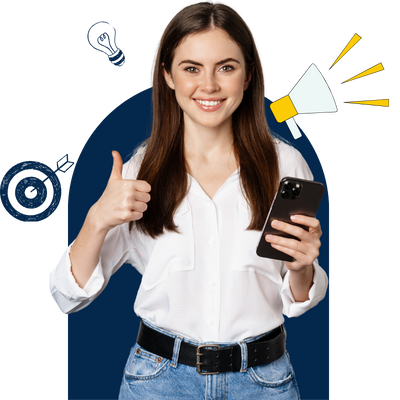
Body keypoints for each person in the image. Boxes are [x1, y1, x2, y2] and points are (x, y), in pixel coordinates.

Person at [47, 1, 328, 399]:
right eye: (191, 68)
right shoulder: (138, 171)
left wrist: (302, 268)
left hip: (264, 382)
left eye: (226, 67)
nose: (209, 85)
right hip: (157, 382)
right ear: (168, 76)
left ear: (248, 75)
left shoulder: (287, 165)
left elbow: (298, 299)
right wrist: (96, 221)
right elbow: (64, 296)